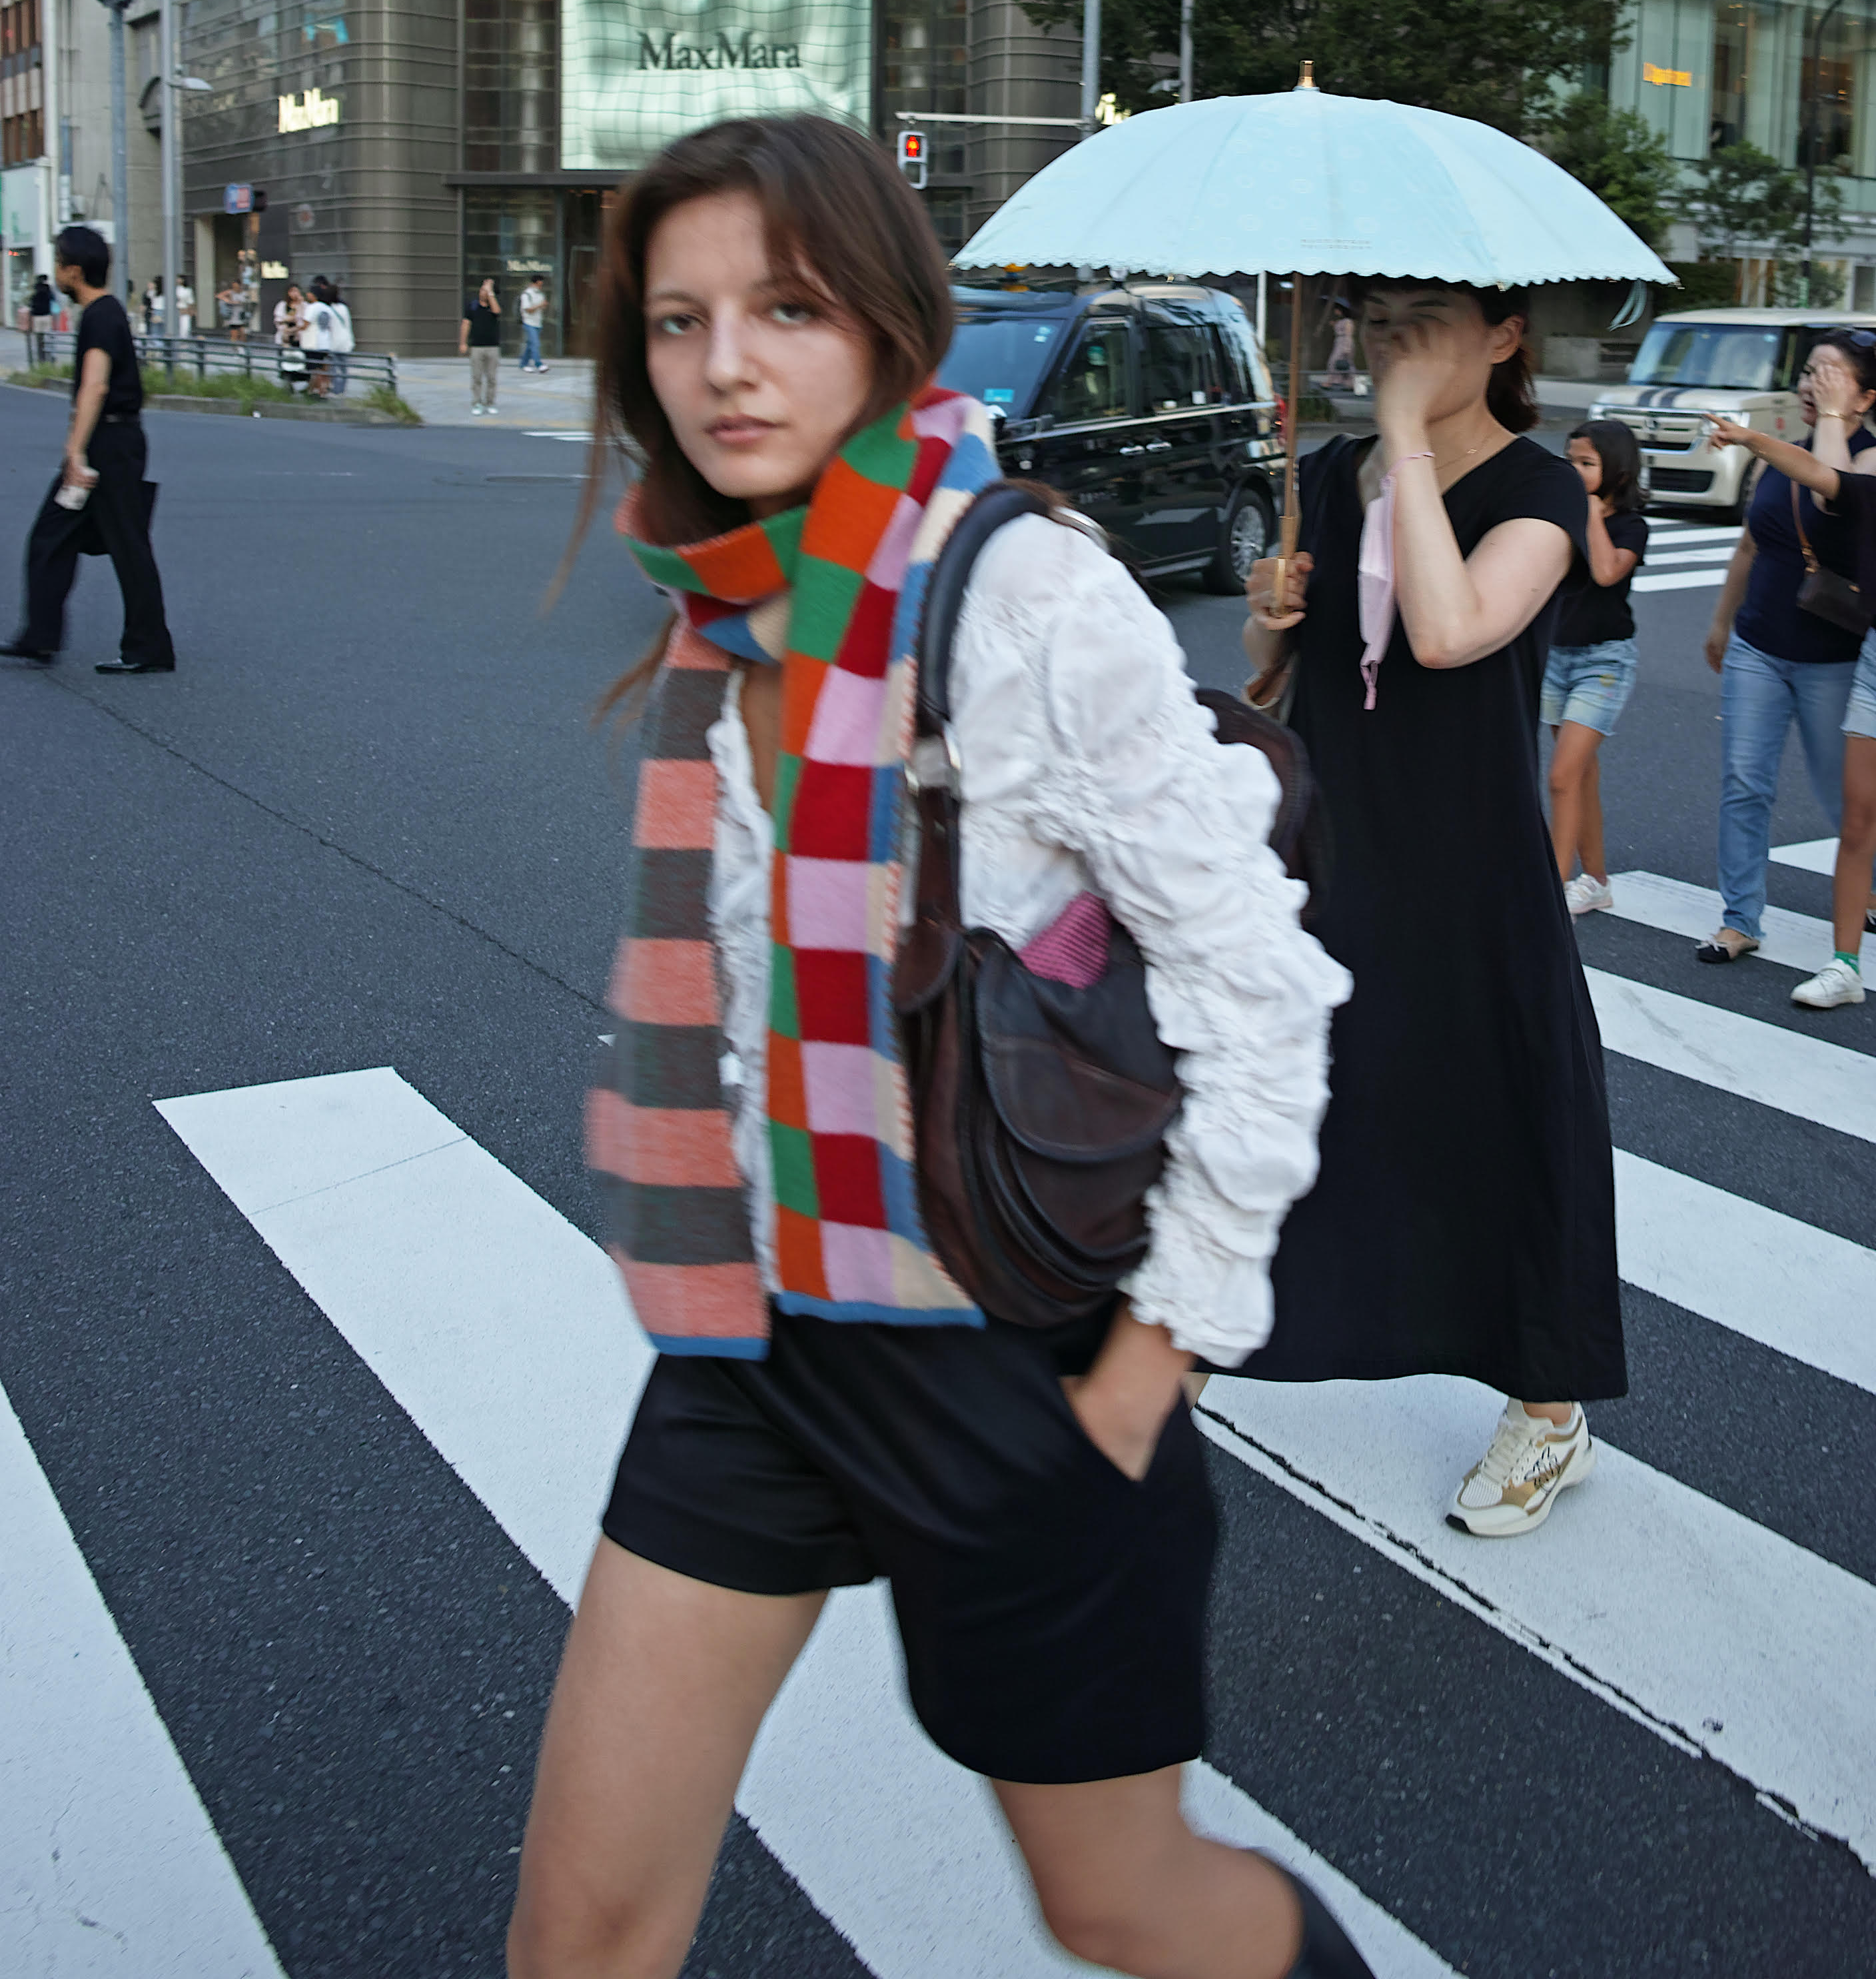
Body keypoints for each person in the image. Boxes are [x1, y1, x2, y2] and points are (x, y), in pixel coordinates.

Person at [510, 116, 1369, 1979]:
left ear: (891, 327)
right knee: (581, 1934)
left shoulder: (1022, 597)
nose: (723, 363)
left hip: (1013, 1364)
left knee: (1122, 1906)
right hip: (758, 1342)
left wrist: (1144, 1384)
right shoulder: (722, 602)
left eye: (785, 307)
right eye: (677, 319)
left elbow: (1264, 999)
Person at [1240, 279, 1623, 1538]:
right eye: (1377, 313)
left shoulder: (1534, 488)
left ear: (1505, 333)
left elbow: (1454, 630)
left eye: (1424, 316)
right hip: (1340, 842)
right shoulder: (1337, 464)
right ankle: (1223, 1326)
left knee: (1501, 1107)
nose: (1390, 336)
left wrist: (1402, 436)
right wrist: (1270, 615)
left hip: (1466, 852)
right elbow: (1285, 682)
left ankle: (1549, 1405)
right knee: (1305, 1094)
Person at [1689, 329, 1876, 966]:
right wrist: (1722, 623)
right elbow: (1749, 546)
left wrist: (1830, 420)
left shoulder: (1870, 461)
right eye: (1809, 373)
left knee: (1845, 797)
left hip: (1834, 655)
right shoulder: (1781, 454)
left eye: (1829, 375)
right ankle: (1739, 918)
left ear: (1866, 397)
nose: (1811, 383)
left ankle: (1867, 887)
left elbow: (1832, 493)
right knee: (1745, 781)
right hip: (1759, 643)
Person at [1, 225, 175, 674]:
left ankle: (150, 648)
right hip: (111, 440)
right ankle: (39, 636)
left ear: (73, 271)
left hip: (109, 445)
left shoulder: (100, 315)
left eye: (59, 263)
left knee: (127, 546)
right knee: (52, 535)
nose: (55, 272)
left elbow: (95, 386)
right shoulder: (105, 311)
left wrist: (76, 454)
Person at [1543, 419, 1649, 916]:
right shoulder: (1560, 513)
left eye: (1586, 464)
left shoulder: (1630, 526)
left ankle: (1554, 885)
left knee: (1563, 775)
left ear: (1618, 473)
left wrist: (1587, 511)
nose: (1574, 470)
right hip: (1555, 654)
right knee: (1580, 775)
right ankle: (1597, 880)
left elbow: (1607, 572)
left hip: (1604, 660)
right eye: (1570, 460)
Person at [461, 277, 500, 414]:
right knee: (477, 377)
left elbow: (497, 311)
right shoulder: (472, 306)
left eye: (486, 290)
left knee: (492, 378)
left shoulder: (493, 305)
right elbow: (466, 324)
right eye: (482, 290)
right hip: (477, 347)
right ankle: (477, 403)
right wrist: (463, 343)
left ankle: (490, 403)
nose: (482, 292)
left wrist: (490, 293)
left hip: (493, 347)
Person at [303, 279, 335, 397]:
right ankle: (322, 389)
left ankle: (316, 390)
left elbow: (306, 324)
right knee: (322, 368)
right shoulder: (327, 308)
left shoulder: (313, 307)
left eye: (310, 293)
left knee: (314, 369)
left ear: (314, 295)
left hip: (313, 342)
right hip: (325, 342)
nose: (308, 295)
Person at [326, 280, 354, 395]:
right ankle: (342, 389)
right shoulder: (344, 308)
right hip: (345, 341)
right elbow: (348, 325)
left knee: (333, 367)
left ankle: (336, 389)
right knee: (343, 368)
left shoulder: (328, 309)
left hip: (333, 342)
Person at [518, 271, 548, 373]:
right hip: (529, 323)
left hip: (538, 323)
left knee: (531, 345)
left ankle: (523, 364)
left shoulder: (541, 294)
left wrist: (543, 305)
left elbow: (542, 307)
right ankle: (539, 364)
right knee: (535, 344)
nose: (541, 286)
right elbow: (528, 310)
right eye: (539, 284)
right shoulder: (527, 294)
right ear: (535, 283)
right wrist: (540, 305)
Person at [1324, 300, 1355, 390]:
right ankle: (1349, 384)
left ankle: (1330, 382)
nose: (1335, 311)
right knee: (1342, 363)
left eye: (1337, 310)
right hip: (1339, 342)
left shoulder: (1348, 322)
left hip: (1345, 342)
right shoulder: (1341, 321)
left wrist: (1347, 348)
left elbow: (1348, 335)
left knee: (1338, 362)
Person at [28, 271, 53, 365]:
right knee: (48, 338)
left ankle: (41, 358)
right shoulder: (48, 289)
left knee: (39, 338)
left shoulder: (35, 289)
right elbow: (52, 299)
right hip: (46, 315)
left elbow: (30, 301)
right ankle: (49, 357)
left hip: (37, 316)